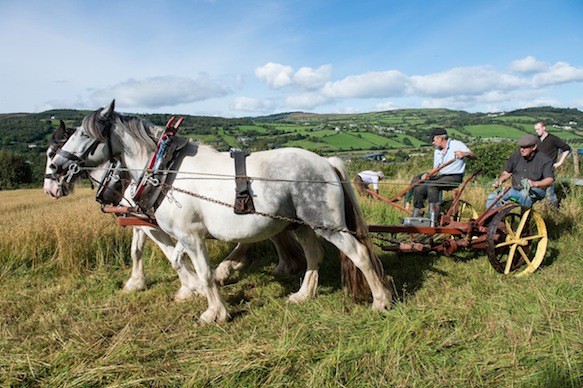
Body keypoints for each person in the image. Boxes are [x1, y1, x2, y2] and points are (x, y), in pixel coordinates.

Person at [410, 128, 476, 222]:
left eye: (433, 139)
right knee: (419, 188)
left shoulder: (456, 144)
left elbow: (473, 155)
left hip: (454, 177)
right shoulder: (437, 151)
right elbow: (436, 169)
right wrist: (428, 175)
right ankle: (416, 215)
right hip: (441, 176)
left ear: (440, 138)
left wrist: (464, 154)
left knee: (432, 186)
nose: (432, 142)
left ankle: (433, 216)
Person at [486, 134, 554, 209]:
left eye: (525, 147)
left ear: (534, 147)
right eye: (521, 147)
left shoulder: (545, 160)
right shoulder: (515, 156)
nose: (522, 149)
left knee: (524, 195)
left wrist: (535, 183)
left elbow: (550, 180)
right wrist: (500, 180)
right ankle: (491, 219)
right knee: (493, 197)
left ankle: (524, 218)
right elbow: (507, 172)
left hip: (536, 190)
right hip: (515, 189)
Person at [534, 120, 571, 206]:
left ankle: (554, 212)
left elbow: (566, 149)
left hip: (548, 169)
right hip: (536, 169)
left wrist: (560, 162)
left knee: (549, 193)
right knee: (536, 191)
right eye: (535, 130)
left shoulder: (553, 139)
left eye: (538, 129)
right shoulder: (536, 139)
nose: (537, 131)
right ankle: (540, 211)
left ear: (544, 128)